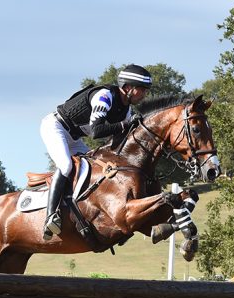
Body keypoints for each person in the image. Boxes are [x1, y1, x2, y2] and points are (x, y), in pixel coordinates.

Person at [40, 64, 152, 240]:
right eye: (142, 90)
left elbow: (118, 139)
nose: (144, 94)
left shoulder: (126, 110)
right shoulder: (104, 96)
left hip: (75, 138)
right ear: (128, 88)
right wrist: (126, 125)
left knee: (94, 167)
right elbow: (96, 132)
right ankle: (51, 215)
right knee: (66, 165)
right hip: (56, 127)